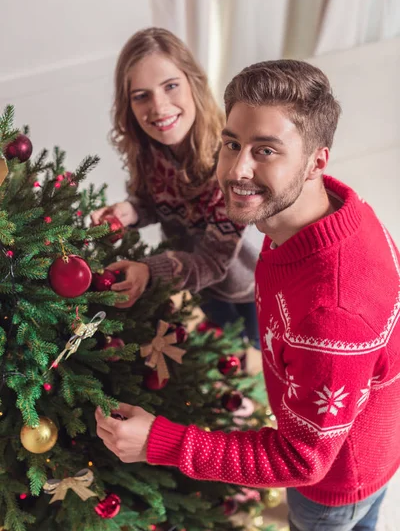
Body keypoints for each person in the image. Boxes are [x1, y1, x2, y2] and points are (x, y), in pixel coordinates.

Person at [96, 59, 400, 531]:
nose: (237, 170)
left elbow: (304, 461)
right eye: (233, 143)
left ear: (317, 161)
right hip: (365, 444)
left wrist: (161, 440)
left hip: (334, 488)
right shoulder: (338, 208)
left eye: (266, 151)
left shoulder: (329, 315)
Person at [91, 27, 259, 347]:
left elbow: (212, 261)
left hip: (250, 288)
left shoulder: (230, 163)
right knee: (221, 347)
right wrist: (127, 212)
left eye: (170, 86)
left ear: (193, 83)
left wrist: (149, 271)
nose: (158, 107)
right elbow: (150, 202)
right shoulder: (149, 151)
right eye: (141, 96)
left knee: (257, 346)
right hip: (200, 284)